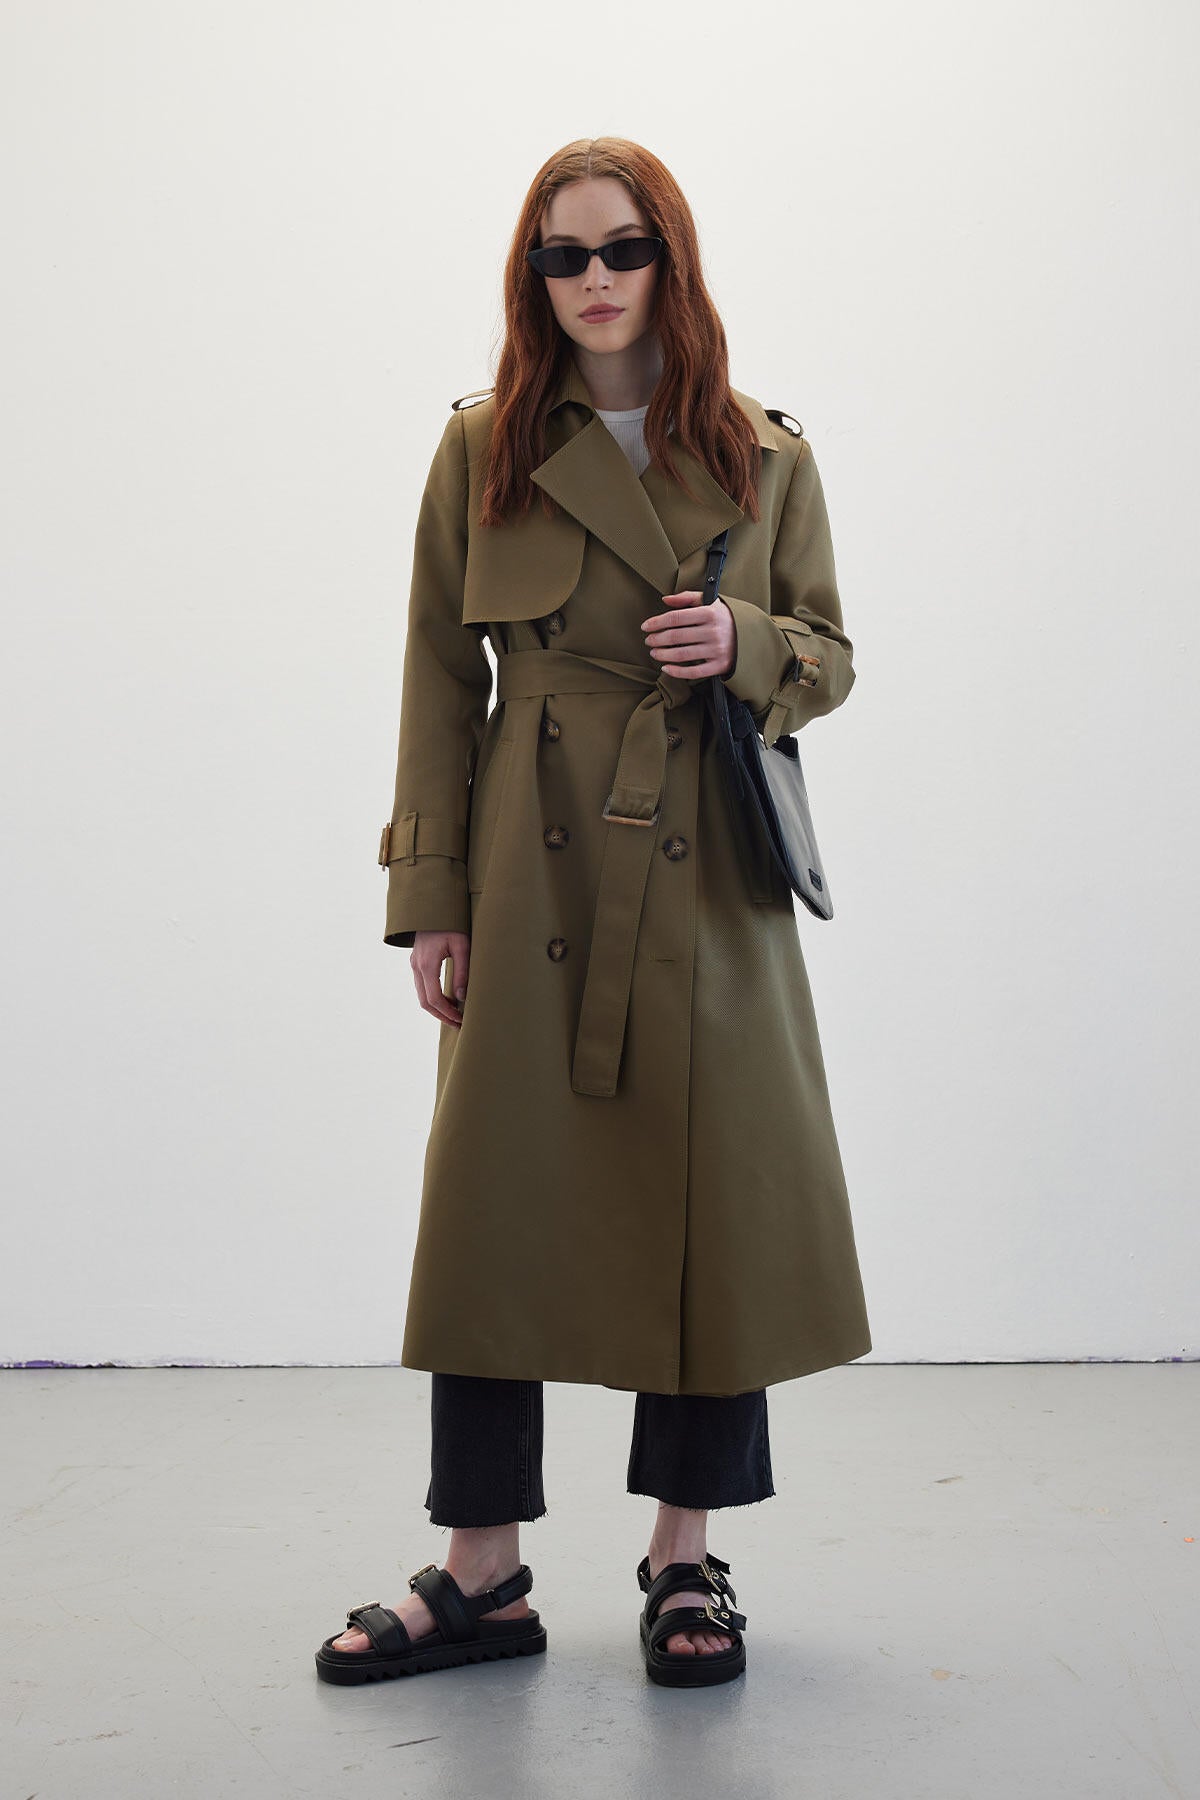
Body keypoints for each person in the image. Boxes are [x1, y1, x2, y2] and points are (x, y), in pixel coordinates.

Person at [315, 137, 871, 1690]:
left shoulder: (761, 452)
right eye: (562, 255)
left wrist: (744, 644)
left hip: (706, 866)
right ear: (533, 276)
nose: (596, 279)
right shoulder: (483, 446)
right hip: (530, 866)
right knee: (492, 1207)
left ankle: (686, 1557)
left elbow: (830, 654)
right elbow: (439, 678)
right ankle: (481, 1572)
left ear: (668, 260)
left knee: (716, 1209)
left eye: (624, 248)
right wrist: (431, 894)